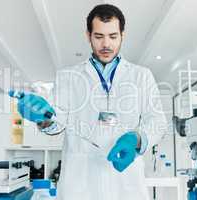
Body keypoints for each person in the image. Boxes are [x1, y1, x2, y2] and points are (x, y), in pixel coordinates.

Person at [9, 4, 167, 200]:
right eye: (99, 37)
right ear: (88, 35)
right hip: (80, 185)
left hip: (126, 185)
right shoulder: (68, 76)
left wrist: (136, 139)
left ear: (122, 35)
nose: (106, 44)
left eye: (113, 36)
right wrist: (43, 117)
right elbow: (57, 122)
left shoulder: (141, 76)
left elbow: (157, 121)